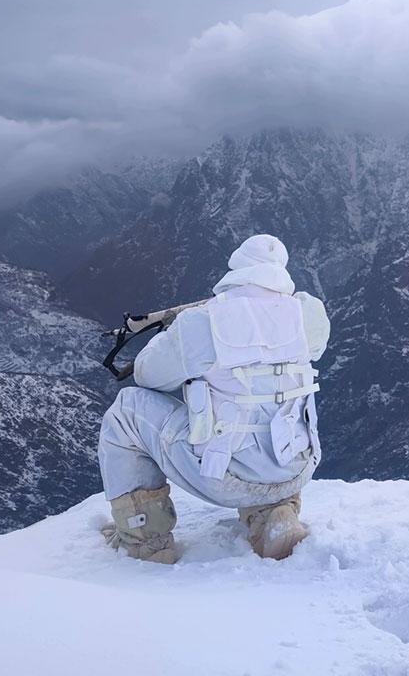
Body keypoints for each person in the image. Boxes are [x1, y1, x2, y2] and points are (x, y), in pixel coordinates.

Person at [98, 234, 330, 563]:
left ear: (236, 269)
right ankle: (274, 515)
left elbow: (148, 377)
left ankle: (145, 540)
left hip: (225, 478)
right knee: (267, 413)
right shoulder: (310, 315)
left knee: (126, 412)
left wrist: (177, 334)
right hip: (296, 469)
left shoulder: (204, 323)